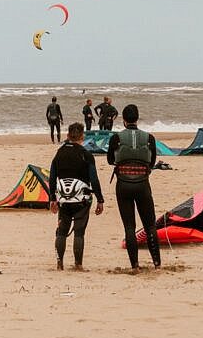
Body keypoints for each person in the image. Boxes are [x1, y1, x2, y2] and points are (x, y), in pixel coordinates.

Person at [105, 104, 161, 270]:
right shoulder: (149, 138)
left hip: (123, 184)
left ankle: (135, 265)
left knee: (129, 227)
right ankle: (157, 263)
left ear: (123, 120)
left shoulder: (116, 138)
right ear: (137, 118)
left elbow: (110, 160)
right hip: (143, 184)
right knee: (150, 225)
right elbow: (151, 162)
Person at [49, 122, 104, 270]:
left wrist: (52, 199)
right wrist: (100, 199)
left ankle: (59, 264)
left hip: (63, 199)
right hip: (81, 200)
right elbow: (94, 179)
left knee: (62, 231)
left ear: (67, 136)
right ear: (82, 136)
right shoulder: (86, 154)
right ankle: (78, 264)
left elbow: (52, 177)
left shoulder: (59, 153)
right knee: (79, 232)